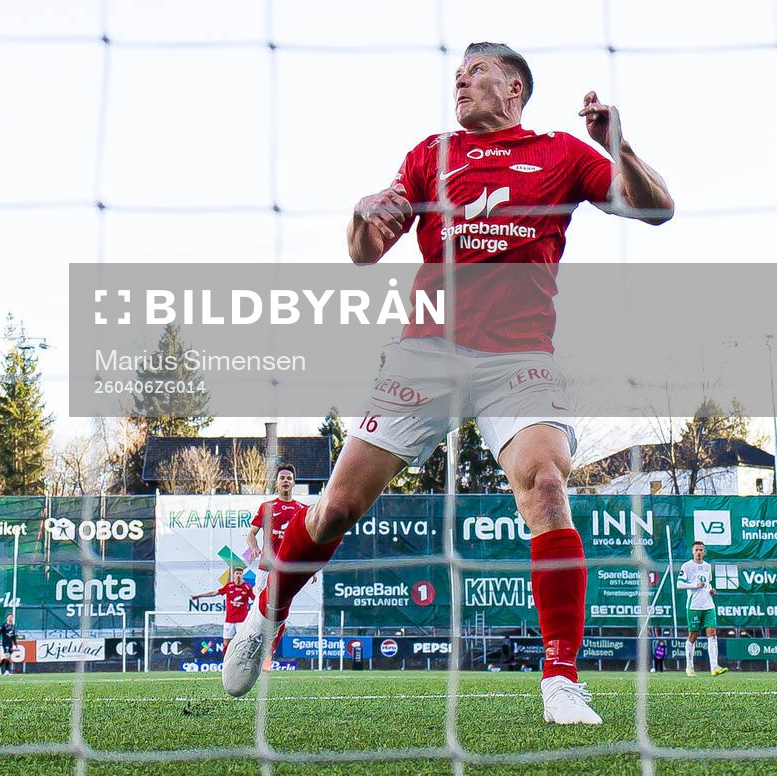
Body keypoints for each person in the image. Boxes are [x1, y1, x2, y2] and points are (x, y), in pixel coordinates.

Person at [222, 43, 673, 728]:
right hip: (427, 352)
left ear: (514, 87)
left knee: (547, 484)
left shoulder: (559, 154)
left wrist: (619, 145)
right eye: (457, 76)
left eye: (476, 74)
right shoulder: (429, 155)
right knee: (337, 508)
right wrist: (359, 212)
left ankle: (560, 680)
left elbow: (657, 209)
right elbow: (364, 252)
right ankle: (267, 612)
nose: (460, 83)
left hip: (518, 355)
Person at [678, 541, 726, 677]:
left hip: (708, 605)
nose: (699, 552)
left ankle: (714, 667)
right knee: (693, 635)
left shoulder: (707, 566)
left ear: (704, 552)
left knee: (712, 633)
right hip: (694, 606)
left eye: (701, 550)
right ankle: (689, 666)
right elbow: (679, 584)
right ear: (692, 551)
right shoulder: (687, 566)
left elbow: (707, 583)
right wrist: (694, 585)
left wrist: (711, 590)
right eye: (696, 550)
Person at [246, 464, 306, 570]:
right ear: (276, 483)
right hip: (267, 567)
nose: (285, 481)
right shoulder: (266, 507)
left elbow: (307, 541)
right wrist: (254, 548)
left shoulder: (303, 509)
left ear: (293, 483)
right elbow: (251, 533)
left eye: (289, 478)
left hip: (291, 568)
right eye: (282, 478)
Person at [194, 567, 255, 655]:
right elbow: (213, 593)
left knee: (243, 642)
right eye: (237, 573)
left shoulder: (247, 588)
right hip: (230, 620)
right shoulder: (229, 586)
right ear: (234, 575)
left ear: (242, 575)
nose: (238, 575)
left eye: (240, 574)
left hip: (242, 621)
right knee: (226, 643)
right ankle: (226, 662)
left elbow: (255, 599)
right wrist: (199, 596)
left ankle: (241, 662)